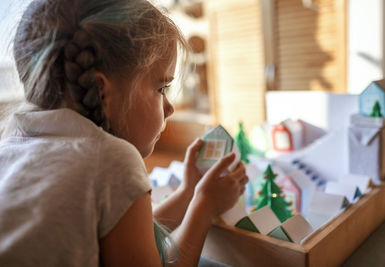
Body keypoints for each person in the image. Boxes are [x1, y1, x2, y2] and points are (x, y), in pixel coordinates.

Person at [0, 0, 248, 266]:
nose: (170, 107)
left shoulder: (10, 148)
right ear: (101, 90)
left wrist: (188, 192)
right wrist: (205, 206)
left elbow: (128, 233)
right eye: (161, 89)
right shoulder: (111, 160)